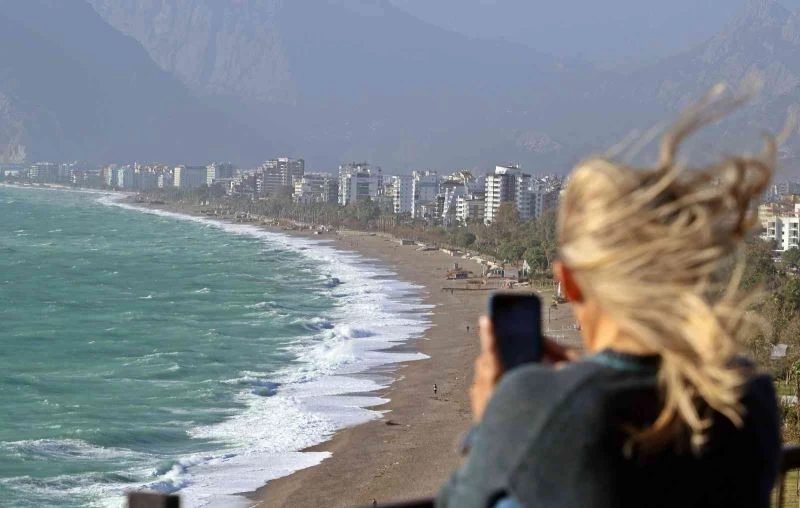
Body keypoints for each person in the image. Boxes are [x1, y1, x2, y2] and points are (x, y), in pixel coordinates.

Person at [437, 88, 783, 508]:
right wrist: (594, 376)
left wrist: (492, 424)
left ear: (569, 280)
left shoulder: (537, 404)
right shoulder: (747, 398)